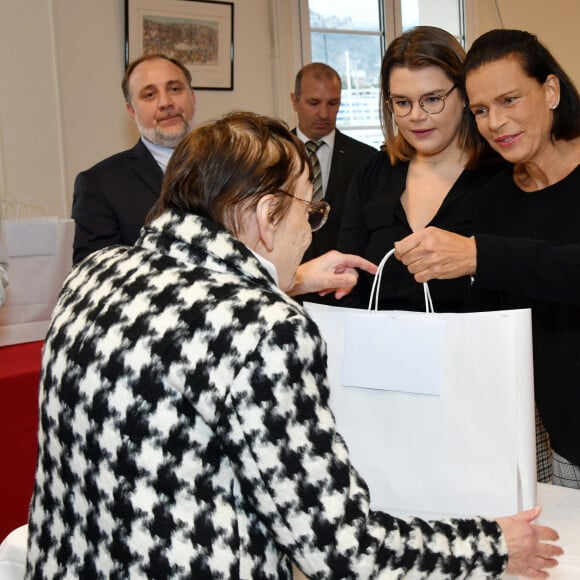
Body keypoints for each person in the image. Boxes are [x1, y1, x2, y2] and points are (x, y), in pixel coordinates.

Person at [25, 111, 561, 578]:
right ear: (265, 217)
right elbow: (341, 549)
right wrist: (492, 544)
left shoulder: (96, 273)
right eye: (310, 212)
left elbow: (188, 305)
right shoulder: (266, 329)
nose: (310, 231)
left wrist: (294, 280)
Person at [394, 29, 580, 490]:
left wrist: (480, 254)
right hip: (567, 444)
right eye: (480, 110)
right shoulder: (496, 197)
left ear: (551, 91)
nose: (495, 122)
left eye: (510, 100)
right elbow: (492, 318)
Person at [338, 26, 503, 312]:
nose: (416, 116)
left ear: (464, 95)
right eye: (402, 102)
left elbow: (516, 282)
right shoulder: (372, 173)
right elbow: (349, 280)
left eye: (432, 99)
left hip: (474, 350)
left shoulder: (502, 176)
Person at [71, 54, 197, 265]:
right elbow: (94, 275)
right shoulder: (99, 185)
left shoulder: (235, 167)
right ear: (132, 110)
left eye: (175, 89)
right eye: (149, 94)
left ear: (193, 98)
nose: (166, 102)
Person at [291, 62, 375, 304]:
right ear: (295, 101)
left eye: (333, 103)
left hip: (346, 293)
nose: (324, 114)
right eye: (313, 103)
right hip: (290, 289)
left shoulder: (365, 159)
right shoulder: (272, 155)